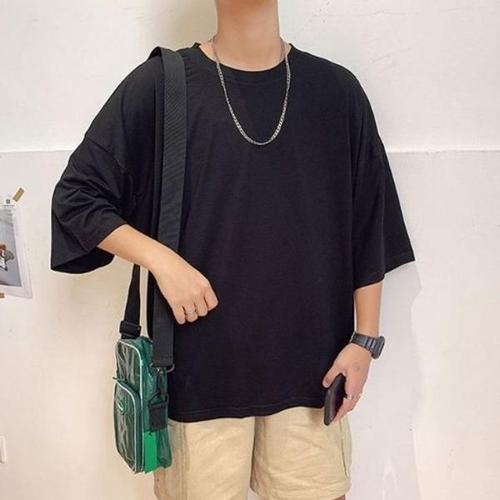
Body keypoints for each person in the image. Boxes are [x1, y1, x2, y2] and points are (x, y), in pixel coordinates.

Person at [50, 1, 416, 498]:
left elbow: (370, 222)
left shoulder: (336, 91)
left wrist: (365, 342)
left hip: (313, 379)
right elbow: (77, 198)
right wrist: (161, 260)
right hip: (198, 379)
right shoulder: (161, 85)